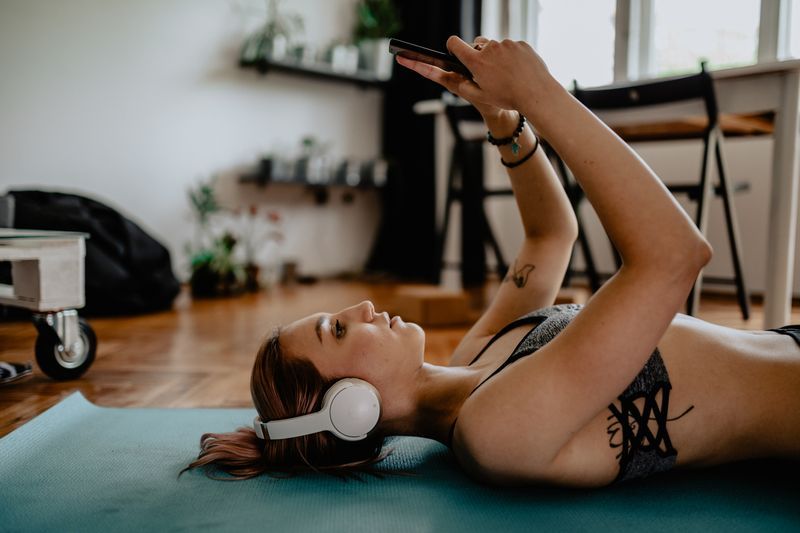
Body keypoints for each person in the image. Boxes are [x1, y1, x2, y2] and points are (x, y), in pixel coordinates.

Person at [185, 36, 800, 487]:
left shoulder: (476, 360)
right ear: (349, 406)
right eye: (337, 330)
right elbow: (673, 257)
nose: (362, 306)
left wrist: (505, 123)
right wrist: (542, 94)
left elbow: (549, 237)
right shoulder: (495, 431)